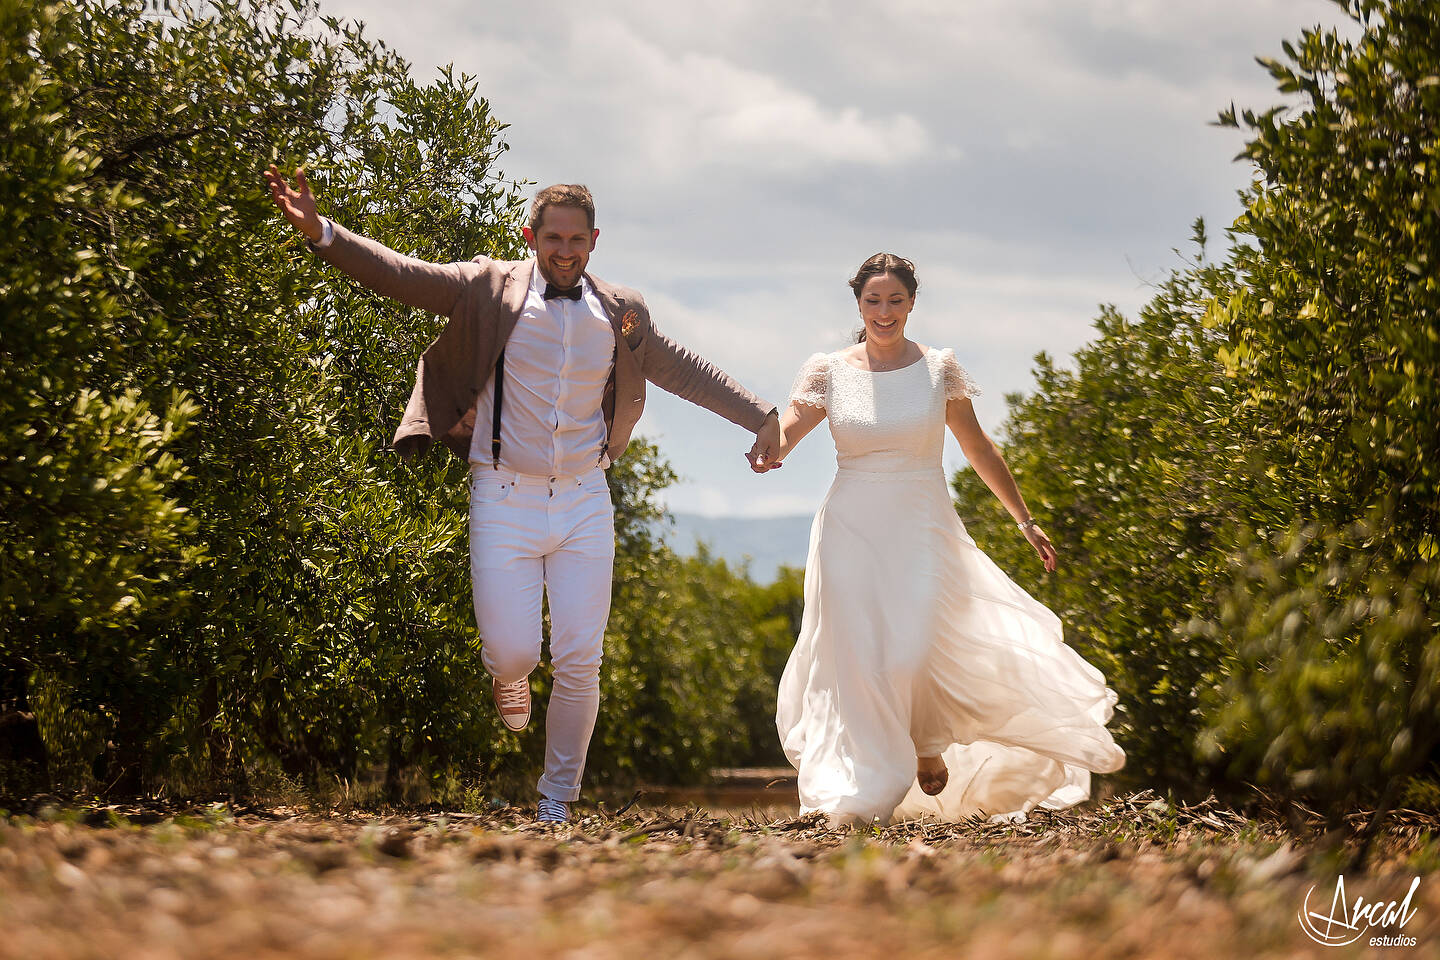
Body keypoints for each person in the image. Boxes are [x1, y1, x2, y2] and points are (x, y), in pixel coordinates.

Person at [263, 168, 781, 823]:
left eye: (577, 239)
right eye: (552, 238)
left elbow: (682, 368)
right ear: (531, 237)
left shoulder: (619, 311)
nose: (565, 250)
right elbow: (404, 275)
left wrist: (761, 416)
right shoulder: (490, 288)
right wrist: (323, 233)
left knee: (580, 659)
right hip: (503, 494)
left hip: (585, 499)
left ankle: (556, 800)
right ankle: (509, 674)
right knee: (514, 651)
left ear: (594, 241)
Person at [760, 253, 1125, 827]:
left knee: (912, 645)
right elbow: (788, 431)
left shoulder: (939, 369)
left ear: (912, 304)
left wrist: (1024, 520)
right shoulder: (827, 370)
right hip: (850, 527)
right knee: (857, 655)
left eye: (895, 300)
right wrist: (768, 448)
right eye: (874, 300)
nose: (884, 312)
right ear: (858, 304)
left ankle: (925, 737)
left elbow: (977, 446)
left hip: (923, 523)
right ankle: (863, 784)